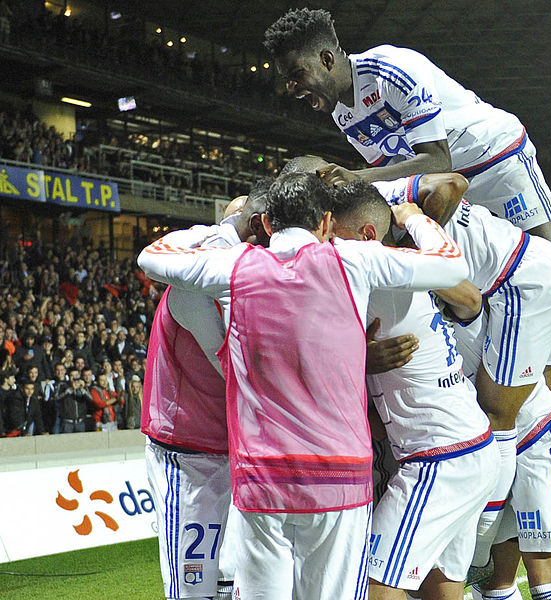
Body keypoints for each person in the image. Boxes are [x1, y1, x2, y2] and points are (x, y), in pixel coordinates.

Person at [263, 7, 551, 407]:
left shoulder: (392, 70)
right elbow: (395, 174)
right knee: (490, 279)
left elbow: (438, 159)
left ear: (326, 59)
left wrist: (358, 178)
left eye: (296, 74)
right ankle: (543, 405)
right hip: (450, 187)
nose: (292, 87)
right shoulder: (342, 112)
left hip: (497, 162)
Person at [137, 172, 469, 600]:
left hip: (262, 478)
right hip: (340, 478)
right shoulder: (353, 260)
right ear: (327, 222)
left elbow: (152, 256)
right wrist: (415, 218)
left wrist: (218, 230)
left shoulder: (234, 267)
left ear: (269, 225)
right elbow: (450, 265)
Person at [373, 173, 551, 600]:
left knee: (544, 583)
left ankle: (482, 550)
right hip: (475, 448)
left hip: (518, 437)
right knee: (488, 584)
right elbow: (466, 294)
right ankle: (481, 554)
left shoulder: (524, 289)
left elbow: (449, 184)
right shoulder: (460, 295)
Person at [330, 180, 497, 600]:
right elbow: (469, 296)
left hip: (439, 457)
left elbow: (467, 289)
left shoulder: (378, 268)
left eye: (335, 237)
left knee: (372, 585)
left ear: (368, 236)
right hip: (468, 446)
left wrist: (416, 217)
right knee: (441, 589)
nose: (328, 247)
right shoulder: (404, 269)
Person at [141, 187, 269, 600]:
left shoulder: (241, 275)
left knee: (236, 583)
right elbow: (242, 377)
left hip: (235, 448)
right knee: (194, 590)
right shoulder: (197, 286)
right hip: (189, 451)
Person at [56, 368, 92, 433]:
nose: (74, 378)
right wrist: (70, 389)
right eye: (72, 376)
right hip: (67, 422)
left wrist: (82, 389)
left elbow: (91, 399)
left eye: (76, 375)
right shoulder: (63, 385)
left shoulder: (83, 386)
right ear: (69, 377)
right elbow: (57, 398)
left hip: (80, 421)